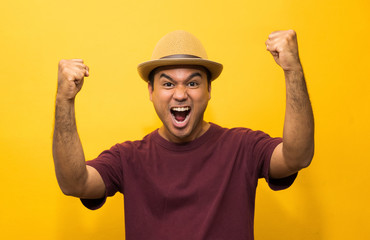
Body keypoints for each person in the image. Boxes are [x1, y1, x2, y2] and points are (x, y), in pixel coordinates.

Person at [53, 30, 314, 240]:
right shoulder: (127, 158)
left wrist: (293, 72)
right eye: (167, 84)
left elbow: (297, 156)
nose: (180, 94)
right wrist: (65, 101)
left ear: (208, 90)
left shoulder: (242, 146)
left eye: (192, 83)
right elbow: (74, 184)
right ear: (151, 91)